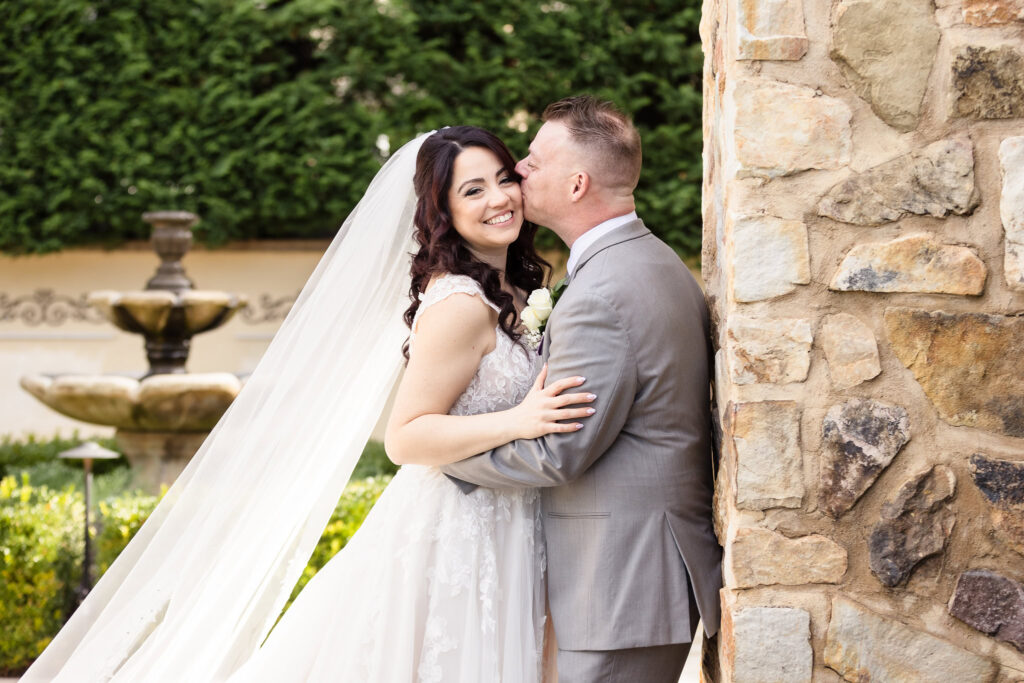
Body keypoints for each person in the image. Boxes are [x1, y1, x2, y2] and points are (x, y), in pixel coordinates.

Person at [21, 127, 583, 681]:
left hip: (510, 516)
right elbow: (405, 437)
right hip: (460, 529)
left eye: (504, 179)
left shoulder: (511, 290)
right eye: (473, 190)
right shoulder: (460, 302)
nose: (499, 199)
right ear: (443, 213)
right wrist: (520, 419)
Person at [441, 96, 723, 683]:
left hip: (620, 581)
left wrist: (446, 461)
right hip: (634, 575)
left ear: (576, 184)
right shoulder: (648, 261)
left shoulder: (604, 290)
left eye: (534, 161)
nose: (519, 169)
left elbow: (558, 451)